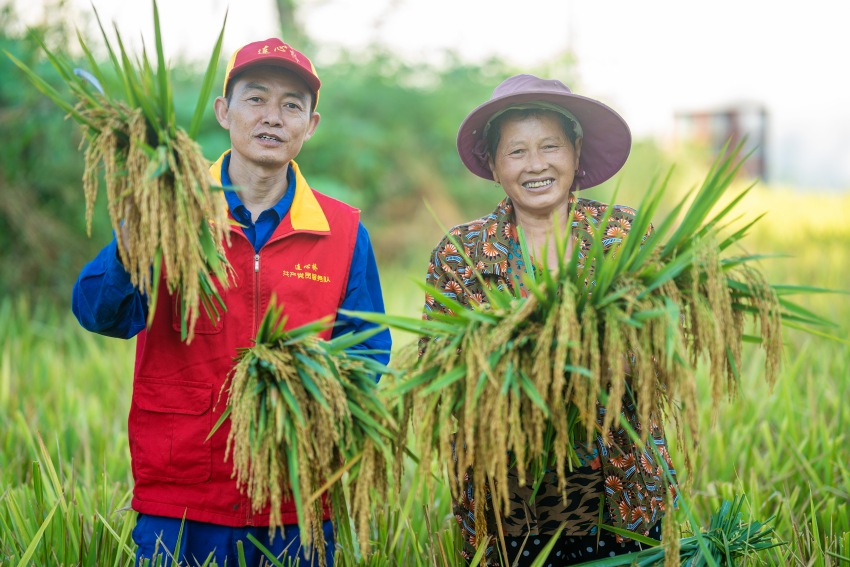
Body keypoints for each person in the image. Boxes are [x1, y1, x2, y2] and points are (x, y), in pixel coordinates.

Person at [72, 38, 392, 567]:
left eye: (292, 105)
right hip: (182, 498)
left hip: (297, 500)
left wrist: (310, 396)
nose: (273, 117)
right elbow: (100, 314)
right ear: (225, 111)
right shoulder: (172, 211)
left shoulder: (343, 231)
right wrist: (137, 222)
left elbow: (368, 353)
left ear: (310, 125)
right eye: (256, 98)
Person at [421, 74, 677, 566]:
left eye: (550, 147)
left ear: (576, 154)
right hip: (510, 497)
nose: (535, 165)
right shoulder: (463, 253)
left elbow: (661, 339)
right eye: (516, 152)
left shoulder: (622, 235)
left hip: (619, 487)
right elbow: (440, 371)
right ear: (494, 166)